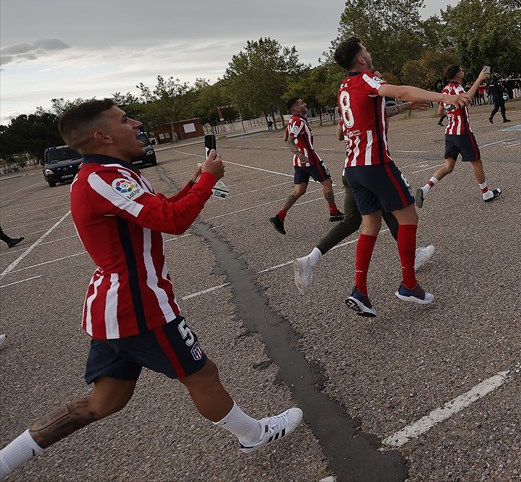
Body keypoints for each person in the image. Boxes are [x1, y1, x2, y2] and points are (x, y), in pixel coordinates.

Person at [0, 100, 302, 479]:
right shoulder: (103, 179)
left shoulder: (111, 173)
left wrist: (196, 182)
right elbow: (172, 221)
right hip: (138, 306)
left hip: (116, 309)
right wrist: (207, 181)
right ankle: (253, 435)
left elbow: (159, 210)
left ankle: (4, 462)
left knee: (104, 402)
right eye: (125, 120)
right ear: (103, 136)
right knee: (202, 374)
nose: (137, 123)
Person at [333, 38, 469, 317]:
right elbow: (401, 90)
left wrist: (406, 107)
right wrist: (443, 97)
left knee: (370, 226)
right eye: (366, 49)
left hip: (353, 168)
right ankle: (409, 284)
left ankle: (360, 291)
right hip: (375, 164)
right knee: (408, 218)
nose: (370, 52)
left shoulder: (344, 87)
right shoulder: (366, 79)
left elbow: (371, 113)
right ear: (360, 59)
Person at [292, 98, 438, 294]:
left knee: (365, 218)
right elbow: (383, 112)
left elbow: (339, 134)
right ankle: (409, 265)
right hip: (370, 168)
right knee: (394, 212)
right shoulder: (366, 103)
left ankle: (312, 258)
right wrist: (407, 105)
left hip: (351, 171)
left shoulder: (349, 109)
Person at [416, 64, 502, 208]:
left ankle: (425, 189)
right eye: (461, 70)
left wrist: (450, 112)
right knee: (477, 162)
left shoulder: (445, 90)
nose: (463, 71)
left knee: (448, 167)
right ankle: (486, 193)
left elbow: (439, 112)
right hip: (462, 133)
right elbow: (467, 99)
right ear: (458, 75)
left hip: (450, 133)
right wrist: (479, 79)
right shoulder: (457, 88)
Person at [268, 97, 343, 235]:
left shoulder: (292, 121)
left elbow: (285, 137)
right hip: (310, 159)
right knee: (327, 183)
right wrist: (300, 154)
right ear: (296, 108)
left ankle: (279, 216)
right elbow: (289, 141)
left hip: (299, 162)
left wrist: (298, 153)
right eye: (302, 103)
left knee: (299, 190)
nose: (305, 104)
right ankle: (334, 212)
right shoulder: (298, 121)